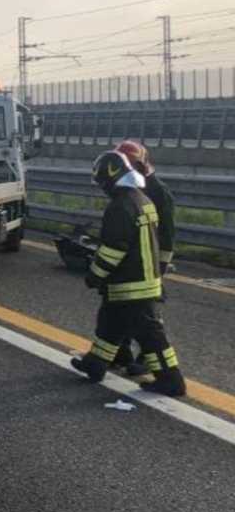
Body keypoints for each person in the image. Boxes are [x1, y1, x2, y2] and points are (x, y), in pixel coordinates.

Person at [71, 151, 186, 397]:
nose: (102, 188)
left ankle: (171, 380)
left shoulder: (120, 206)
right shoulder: (142, 200)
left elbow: (114, 249)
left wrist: (94, 274)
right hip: (138, 281)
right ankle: (95, 363)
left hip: (132, 285)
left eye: (102, 183)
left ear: (109, 180)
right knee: (109, 323)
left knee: (150, 336)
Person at [111, 140, 177, 376]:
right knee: (121, 305)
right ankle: (122, 352)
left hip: (150, 264)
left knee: (147, 314)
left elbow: (167, 237)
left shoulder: (159, 192)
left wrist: (160, 269)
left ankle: (149, 358)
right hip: (131, 261)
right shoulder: (127, 186)